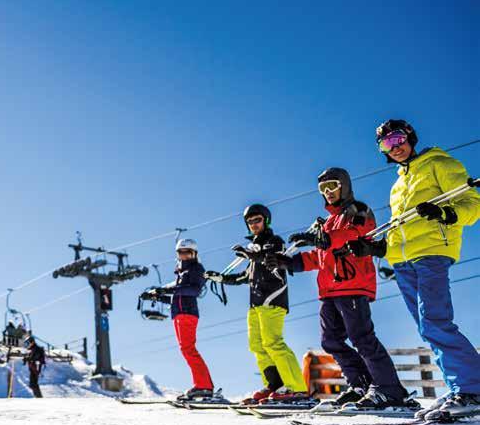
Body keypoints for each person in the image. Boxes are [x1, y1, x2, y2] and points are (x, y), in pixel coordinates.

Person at [347, 119, 480, 420]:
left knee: (436, 321)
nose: (395, 148)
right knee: (427, 326)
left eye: (397, 139)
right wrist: (375, 249)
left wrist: (446, 213)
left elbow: (472, 203)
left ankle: (473, 388)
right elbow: (399, 231)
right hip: (404, 262)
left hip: (432, 252)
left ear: (410, 137)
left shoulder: (439, 164)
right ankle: (460, 387)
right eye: (386, 144)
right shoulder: (398, 185)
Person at [266, 168, 414, 411]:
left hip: (352, 286)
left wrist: (319, 237)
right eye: (323, 189)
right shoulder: (328, 222)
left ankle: (390, 390)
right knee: (331, 340)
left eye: (332, 186)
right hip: (329, 291)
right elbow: (319, 257)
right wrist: (288, 262)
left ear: (344, 185)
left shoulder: (358, 210)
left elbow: (352, 233)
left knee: (362, 338)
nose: (328, 192)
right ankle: (361, 385)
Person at [205, 204, 309, 404]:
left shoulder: (274, 242)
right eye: (250, 221)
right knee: (257, 345)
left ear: (266, 221)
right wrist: (220, 278)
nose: (253, 224)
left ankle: (296, 387)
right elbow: (244, 277)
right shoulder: (252, 251)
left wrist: (254, 255)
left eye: (257, 220)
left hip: (272, 299)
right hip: (256, 304)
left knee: (273, 342)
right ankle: (275, 384)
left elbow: (272, 259)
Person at [159, 239, 215, 401]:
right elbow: (178, 294)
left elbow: (194, 289)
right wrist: (158, 293)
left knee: (188, 349)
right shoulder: (180, 273)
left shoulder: (196, 269)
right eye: (181, 253)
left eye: (188, 252)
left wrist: (170, 290)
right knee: (186, 349)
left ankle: (204, 386)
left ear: (194, 254)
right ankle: (203, 385)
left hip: (187, 313)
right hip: (178, 313)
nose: (184, 256)